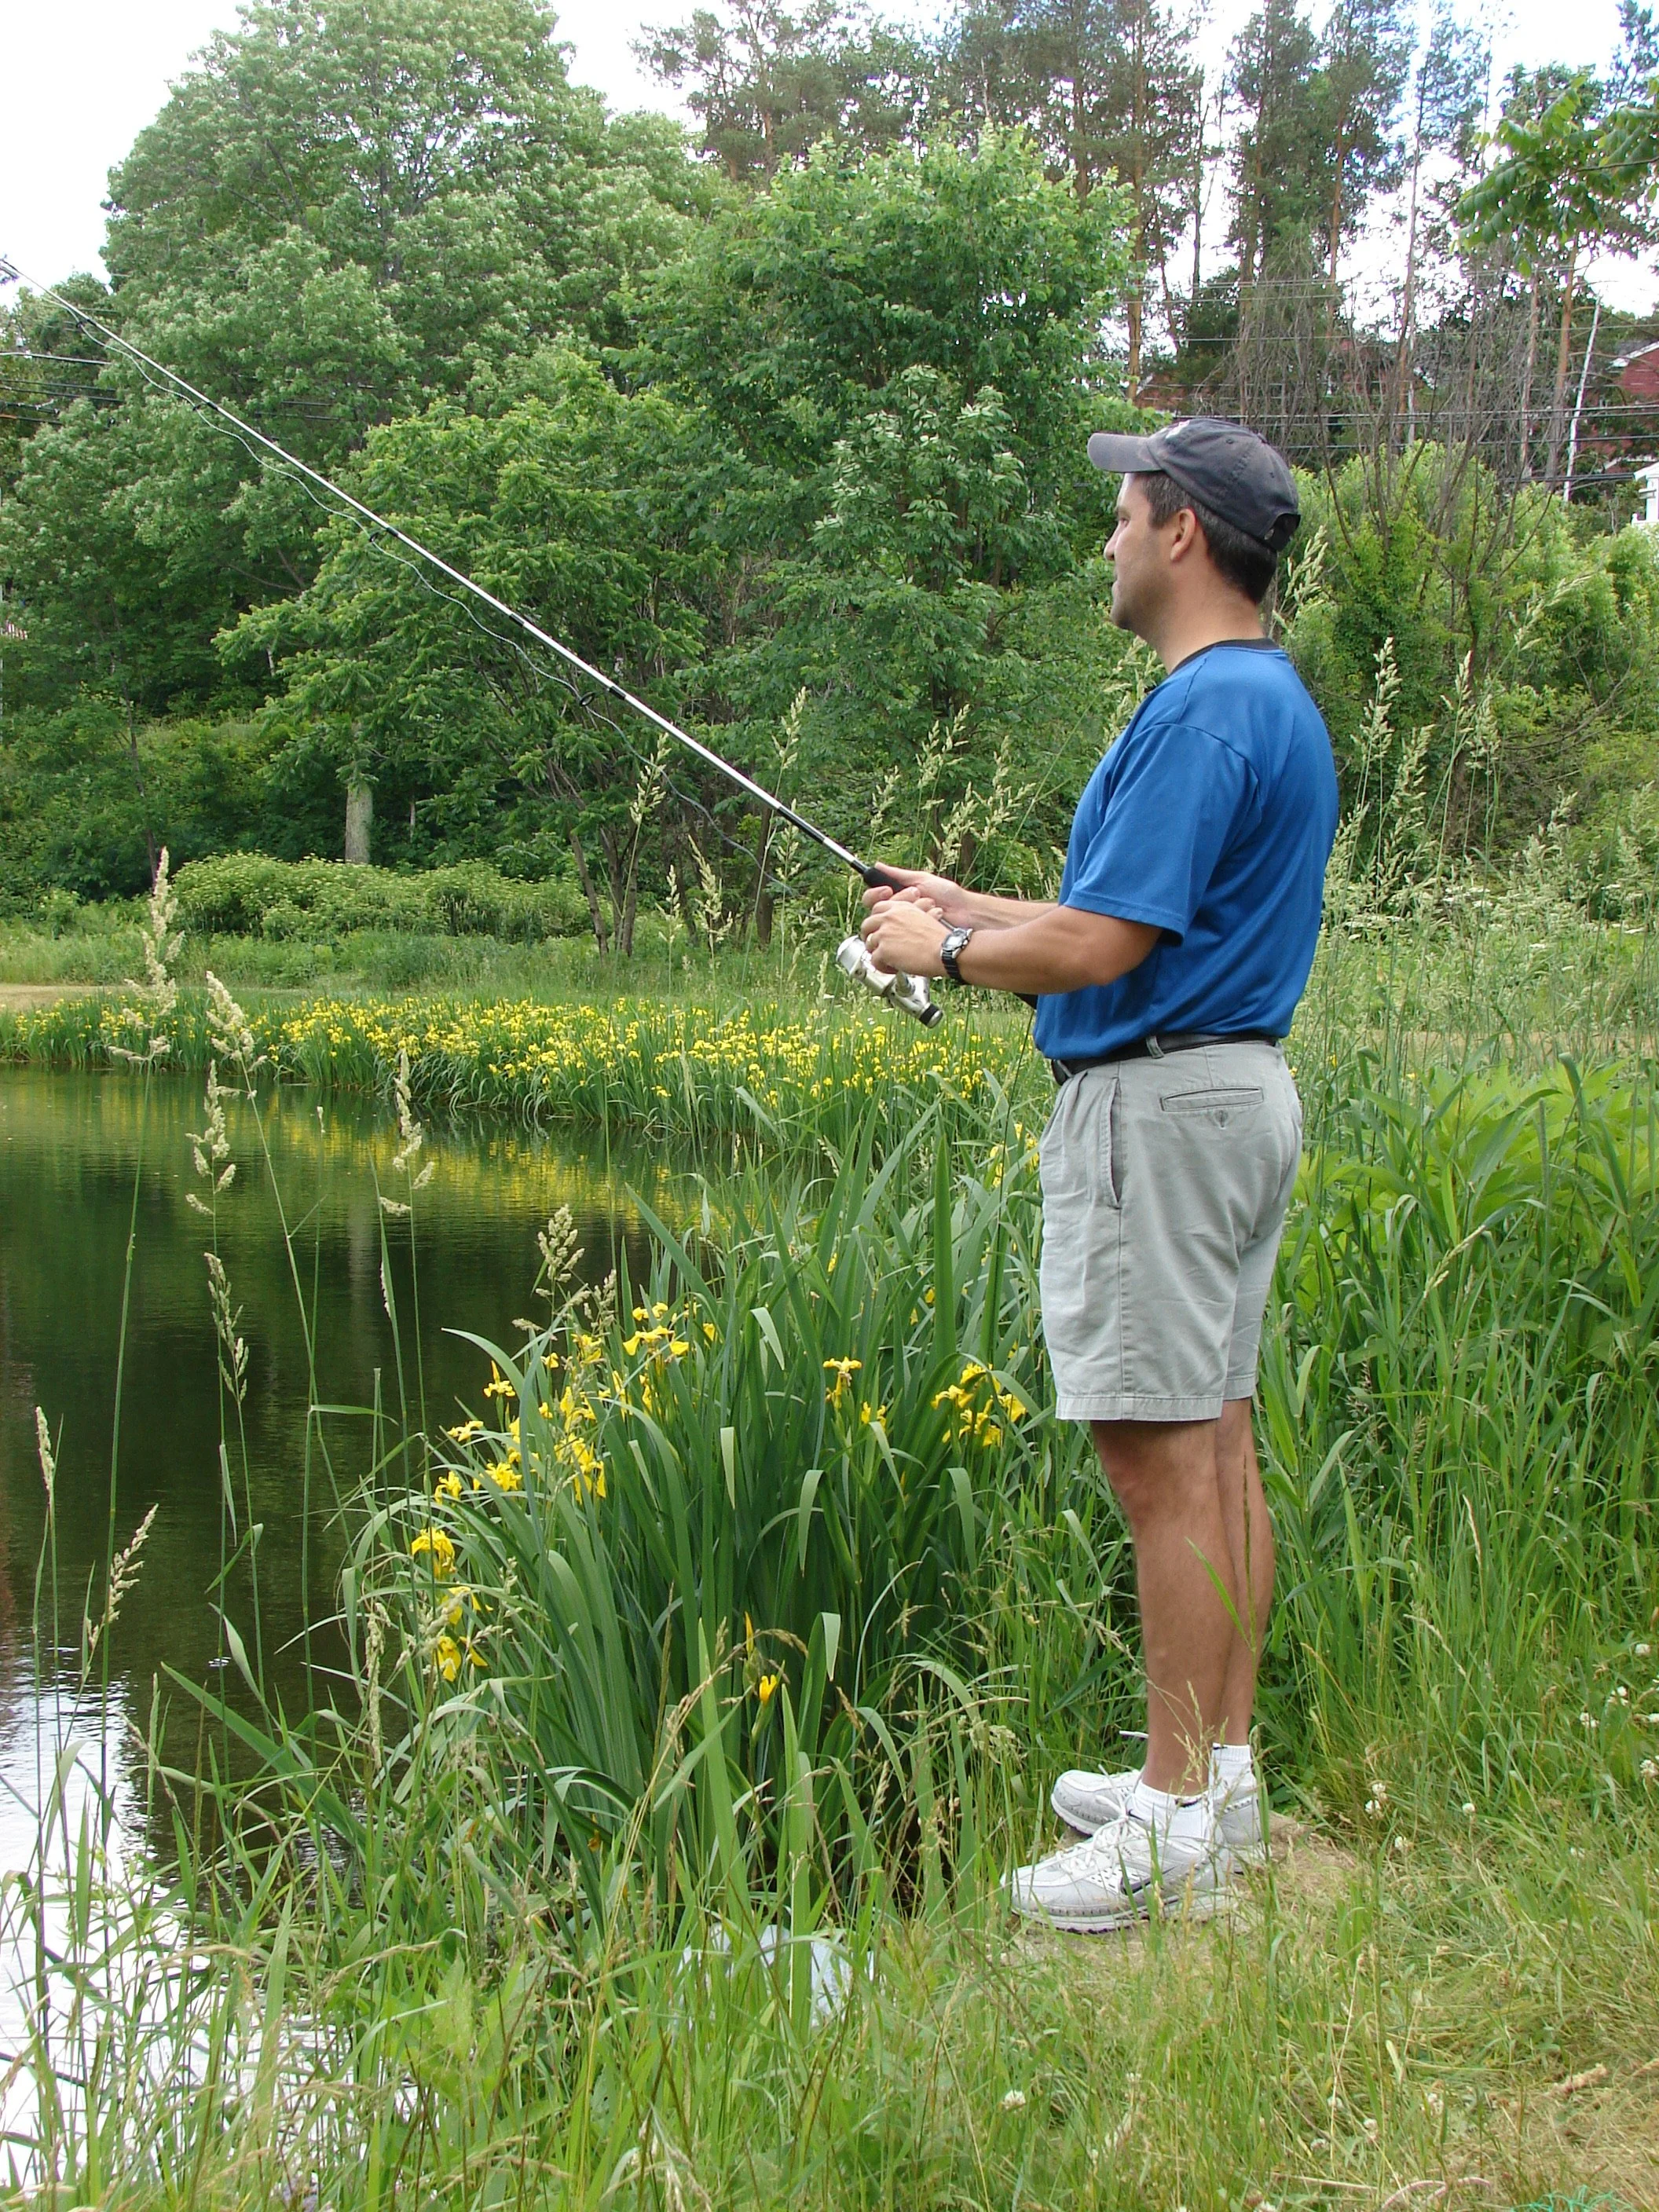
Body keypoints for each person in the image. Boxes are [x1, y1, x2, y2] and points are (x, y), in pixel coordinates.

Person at [859, 416, 1338, 1932]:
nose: (1110, 542)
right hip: (1231, 1092)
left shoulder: (1202, 712)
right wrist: (968, 902)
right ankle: (1218, 1781)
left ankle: (1173, 1823)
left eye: (1125, 515)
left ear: (1183, 531)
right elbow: (1125, 918)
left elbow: (1108, 949)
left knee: (1159, 1461)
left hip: (1160, 1115)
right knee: (1218, 1443)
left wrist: (941, 952)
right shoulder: (1261, 699)